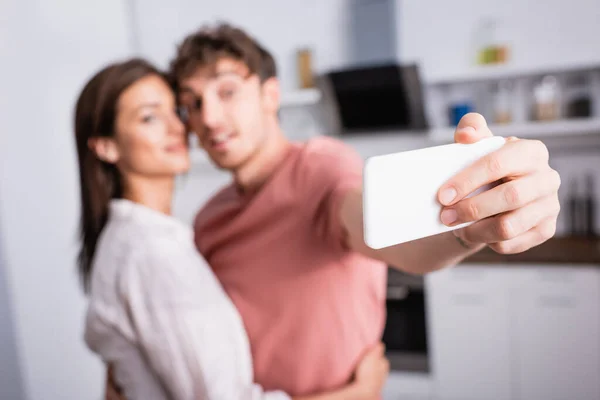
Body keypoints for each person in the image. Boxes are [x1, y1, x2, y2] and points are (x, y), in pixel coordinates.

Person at [157, 22, 560, 397]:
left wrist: (467, 225)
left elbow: (383, 233)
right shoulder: (208, 220)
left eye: (226, 92)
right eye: (192, 103)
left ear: (270, 95)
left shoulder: (321, 169)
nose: (207, 118)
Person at [75, 58, 390, 400]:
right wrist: (359, 393)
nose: (177, 128)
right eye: (149, 117)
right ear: (106, 146)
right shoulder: (152, 252)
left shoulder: (145, 241)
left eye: (176, 112)